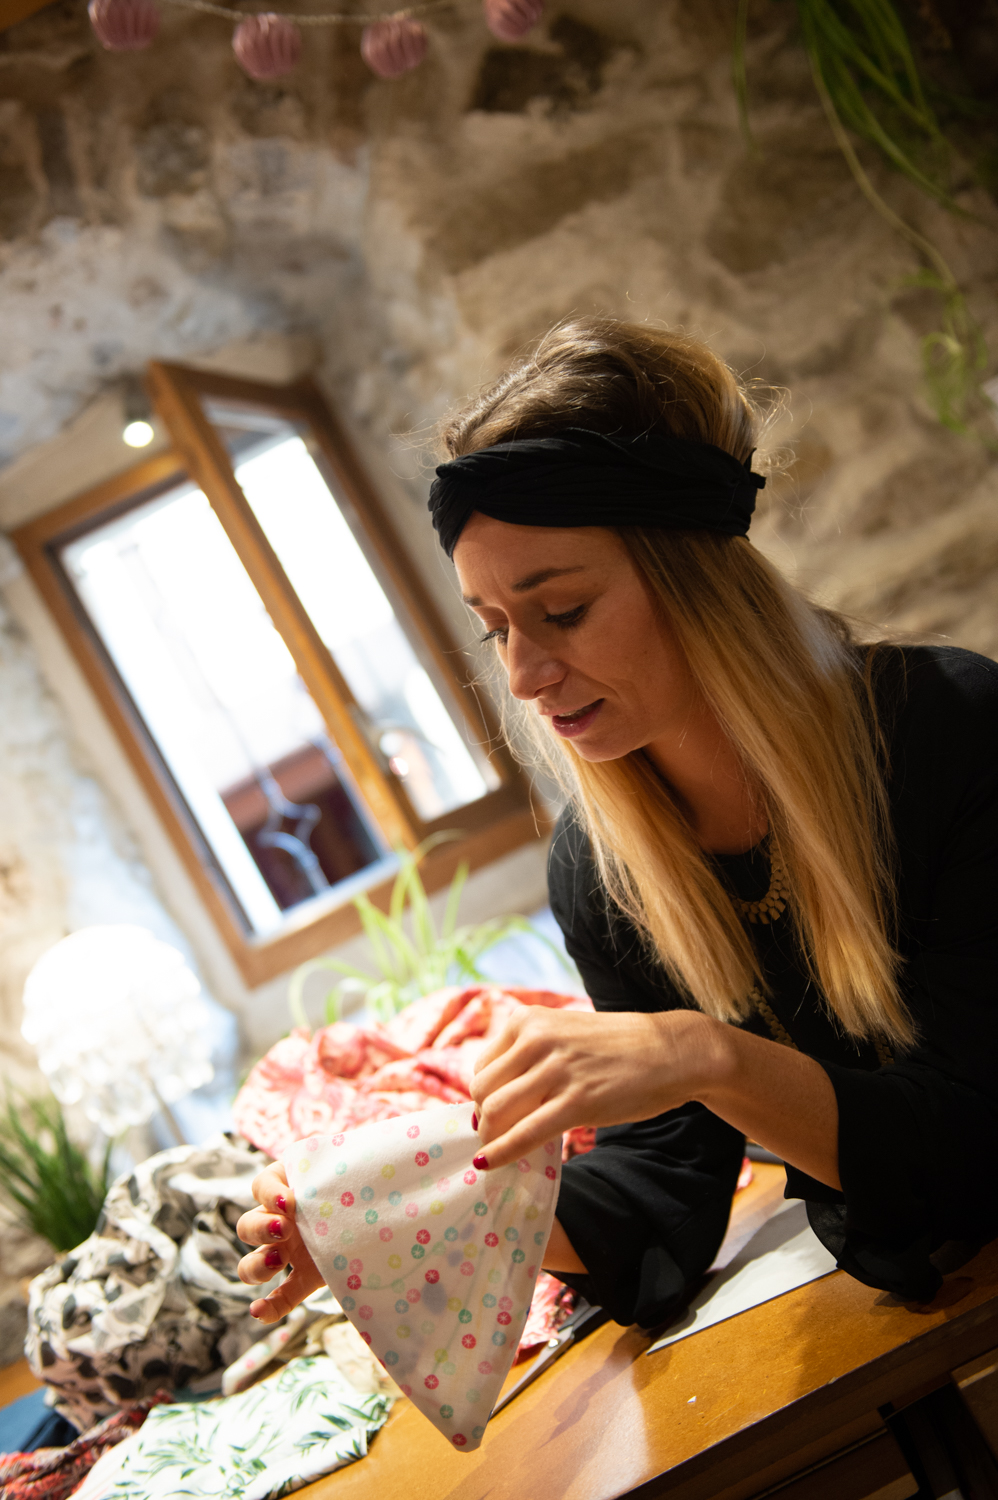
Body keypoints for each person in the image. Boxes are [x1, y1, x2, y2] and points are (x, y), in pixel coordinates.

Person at [237, 317, 998, 1329]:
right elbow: (660, 1190)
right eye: (494, 629)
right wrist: (403, 1216)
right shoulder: (602, 873)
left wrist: (702, 1053)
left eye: (562, 612)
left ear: (695, 579)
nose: (521, 675)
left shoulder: (949, 731)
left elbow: (971, 1142)